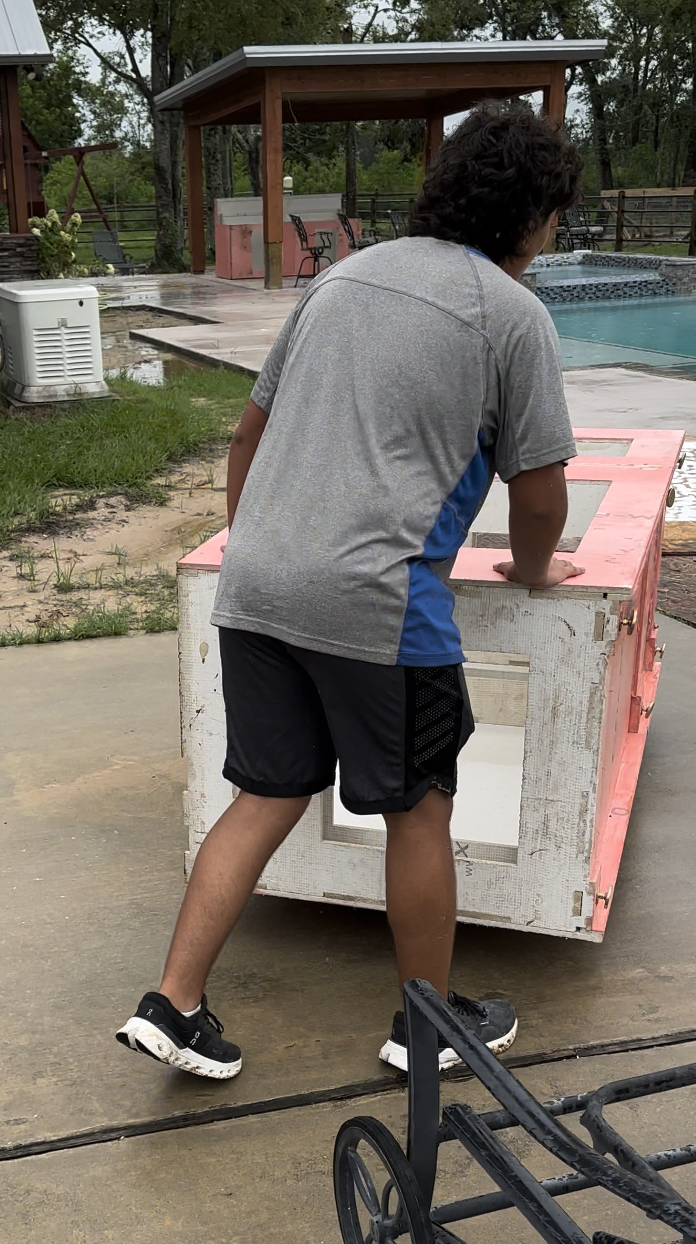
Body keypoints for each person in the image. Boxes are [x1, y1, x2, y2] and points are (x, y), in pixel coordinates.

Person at [116, 107, 585, 1078]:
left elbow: (248, 436)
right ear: (533, 216)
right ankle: (425, 1023)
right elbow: (538, 493)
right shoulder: (510, 316)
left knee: (261, 793)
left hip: (256, 588)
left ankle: (173, 1000)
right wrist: (533, 569)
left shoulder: (341, 279)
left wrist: (261, 550)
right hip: (378, 606)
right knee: (417, 807)